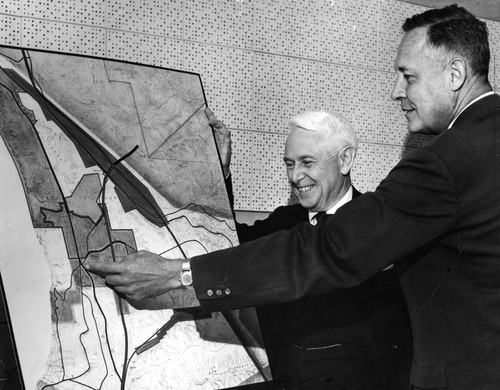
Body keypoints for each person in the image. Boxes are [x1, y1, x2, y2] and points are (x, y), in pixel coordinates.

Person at [86, 5, 500, 389]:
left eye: (408, 76)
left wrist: (180, 274)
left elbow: (335, 249)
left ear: (456, 73)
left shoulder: (447, 160)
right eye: (289, 163)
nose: (396, 91)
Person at [209, 108, 412, 389]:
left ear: (345, 160)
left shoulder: (378, 224)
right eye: (289, 164)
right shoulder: (281, 222)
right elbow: (224, 243)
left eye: (306, 162)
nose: (295, 176)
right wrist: (218, 172)